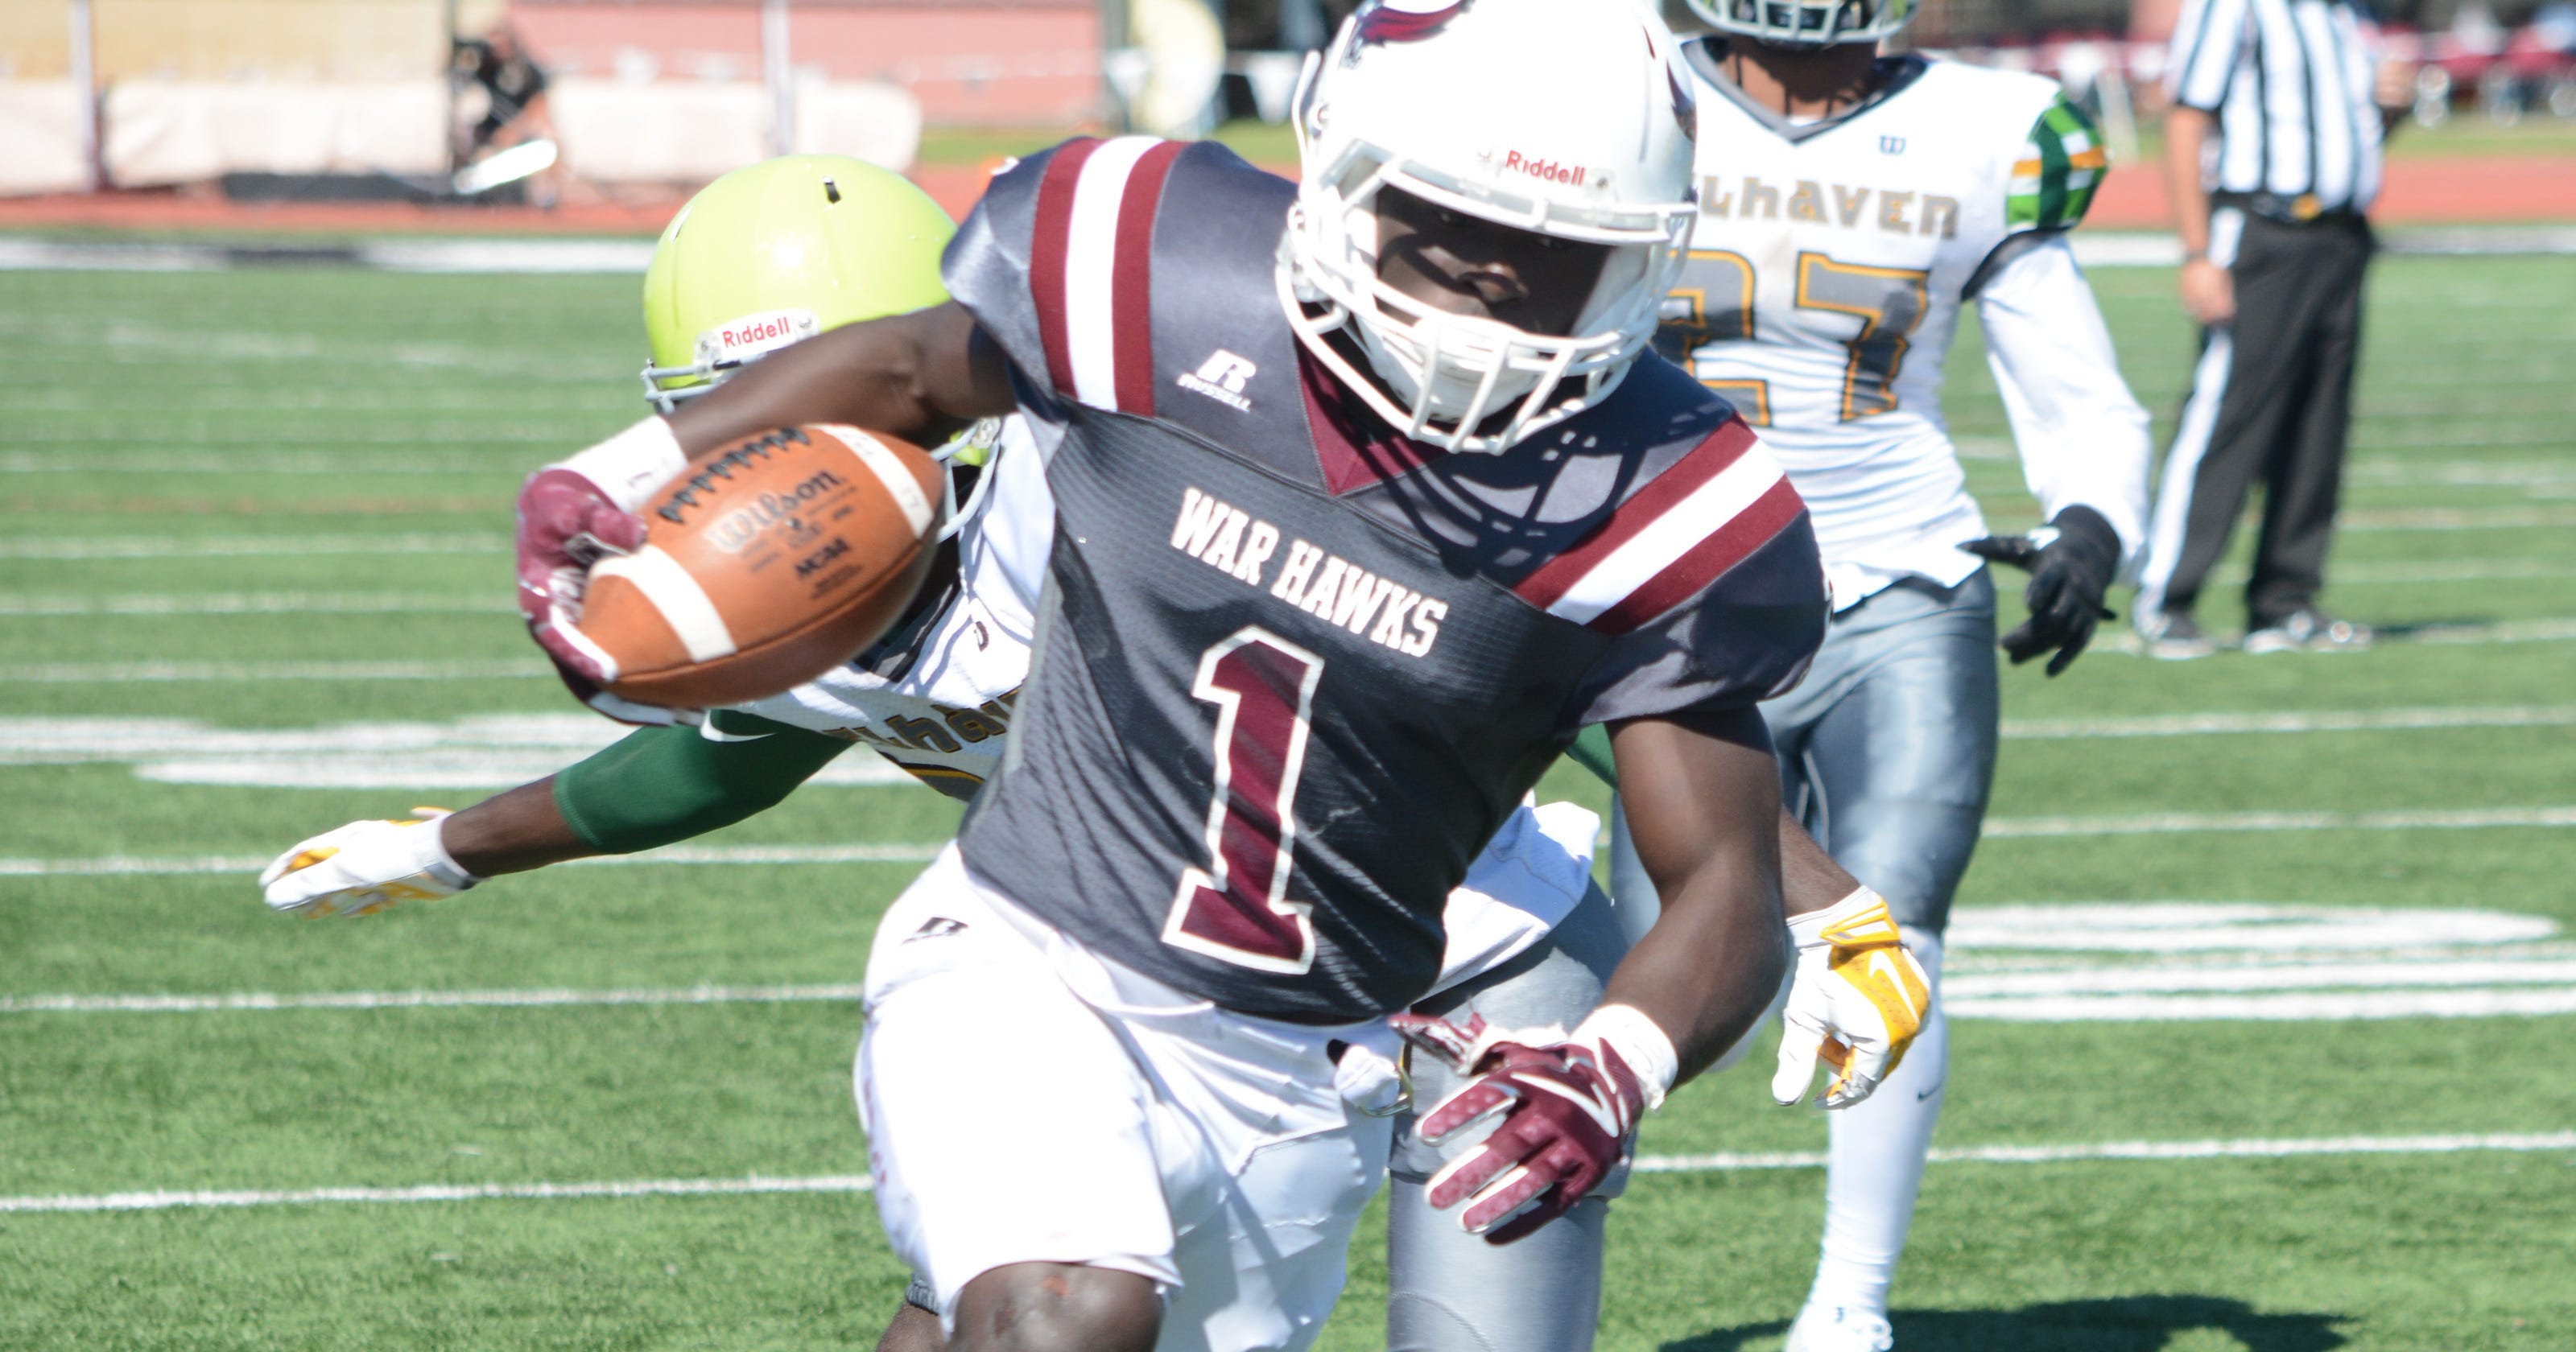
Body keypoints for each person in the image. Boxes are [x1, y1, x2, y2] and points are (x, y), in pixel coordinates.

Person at [267, 144, 1929, 1352]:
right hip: (1080, 958)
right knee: (1020, 1293)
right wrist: (442, 844)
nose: (771, 455)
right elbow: (721, 759)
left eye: (802, 387)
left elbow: (1566, 698)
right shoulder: (798, 591)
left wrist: (1822, 903)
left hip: (1472, 968)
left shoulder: (1131, 451)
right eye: (733, 405)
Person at [1633, 2, 2155, 1348]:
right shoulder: (1620, 91)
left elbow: (2062, 358)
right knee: (1670, 975)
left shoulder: (1984, 130)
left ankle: (1849, 1307)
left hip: (1899, 572)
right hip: (1657, 596)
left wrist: (2091, 515)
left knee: (1892, 936)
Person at [2132, 0, 2411, 657]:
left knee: (2319, 425)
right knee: (2230, 414)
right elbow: (2186, 118)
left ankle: (2286, 600)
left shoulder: (2349, 17)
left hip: (2340, 237)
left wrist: (2389, 110)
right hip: (2262, 230)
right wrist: (2198, 252)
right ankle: (2167, 595)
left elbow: (2348, 132)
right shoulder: (2235, 7)